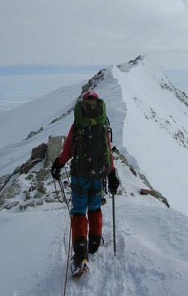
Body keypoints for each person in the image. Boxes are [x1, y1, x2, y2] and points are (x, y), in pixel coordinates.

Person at [51, 90, 120, 275]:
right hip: (98, 175)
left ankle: (81, 254)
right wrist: (111, 174)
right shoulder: (103, 125)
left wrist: (58, 164)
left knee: (79, 211)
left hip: (80, 175)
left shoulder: (78, 125)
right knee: (95, 208)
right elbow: (107, 152)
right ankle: (95, 243)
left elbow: (68, 151)